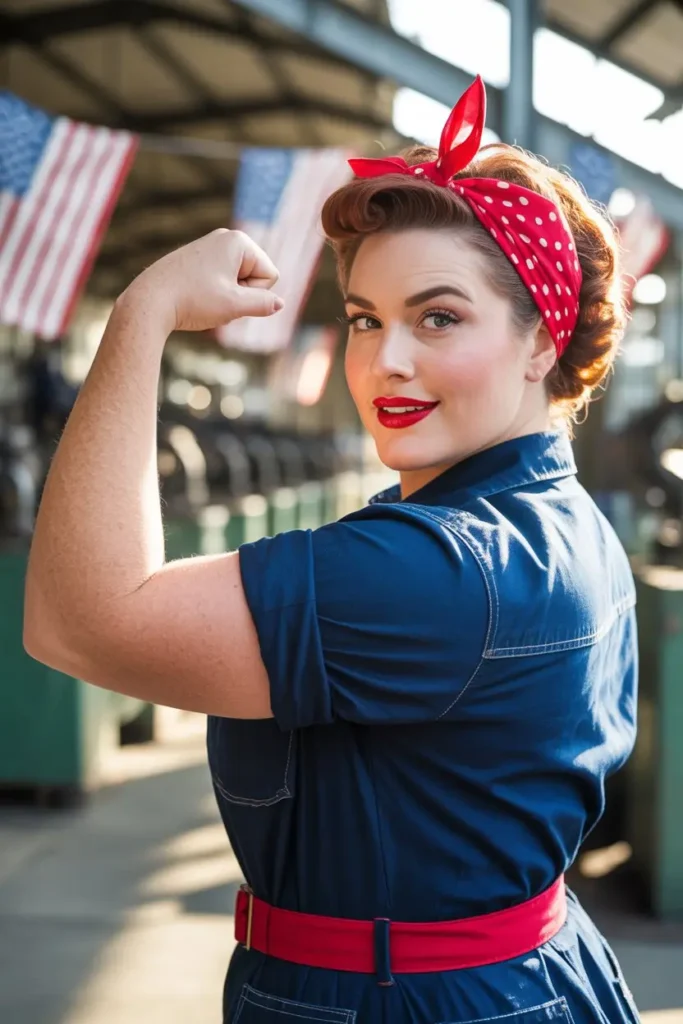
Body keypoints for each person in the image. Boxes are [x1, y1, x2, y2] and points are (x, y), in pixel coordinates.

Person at [24, 75, 639, 1024]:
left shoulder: (445, 571)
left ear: (537, 342)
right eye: (364, 318)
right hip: (514, 972)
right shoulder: (557, 519)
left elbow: (79, 621)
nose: (384, 359)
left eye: (438, 317)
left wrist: (140, 316)